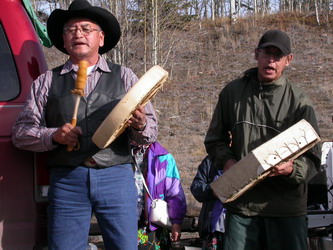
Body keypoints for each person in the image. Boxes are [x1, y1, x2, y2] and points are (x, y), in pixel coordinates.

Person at [12, 0, 158, 249]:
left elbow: (151, 133)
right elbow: (21, 134)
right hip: (68, 180)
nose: (78, 34)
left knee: (124, 246)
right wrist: (53, 135)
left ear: (100, 38)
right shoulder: (46, 81)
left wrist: (139, 124)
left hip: (116, 177)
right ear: (64, 40)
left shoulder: (125, 77)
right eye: (71, 29)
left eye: (86, 28)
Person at [204, 29, 322, 250]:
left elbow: (313, 161)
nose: (271, 60)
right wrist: (229, 163)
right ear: (256, 54)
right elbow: (214, 140)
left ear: (288, 60)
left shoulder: (299, 102)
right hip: (243, 208)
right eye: (266, 53)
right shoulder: (232, 93)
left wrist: (290, 169)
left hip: (285, 211)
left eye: (278, 56)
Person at [132, 142, 187, 249]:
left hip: (153, 225)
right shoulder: (118, 155)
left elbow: (174, 191)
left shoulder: (163, 158)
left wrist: (176, 222)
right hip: (124, 222)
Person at [190, 155, 225, 250]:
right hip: (213, 229)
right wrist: (212, 191)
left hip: (237, 230)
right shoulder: (210, 161)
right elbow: (196, 187)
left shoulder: (244, 158)